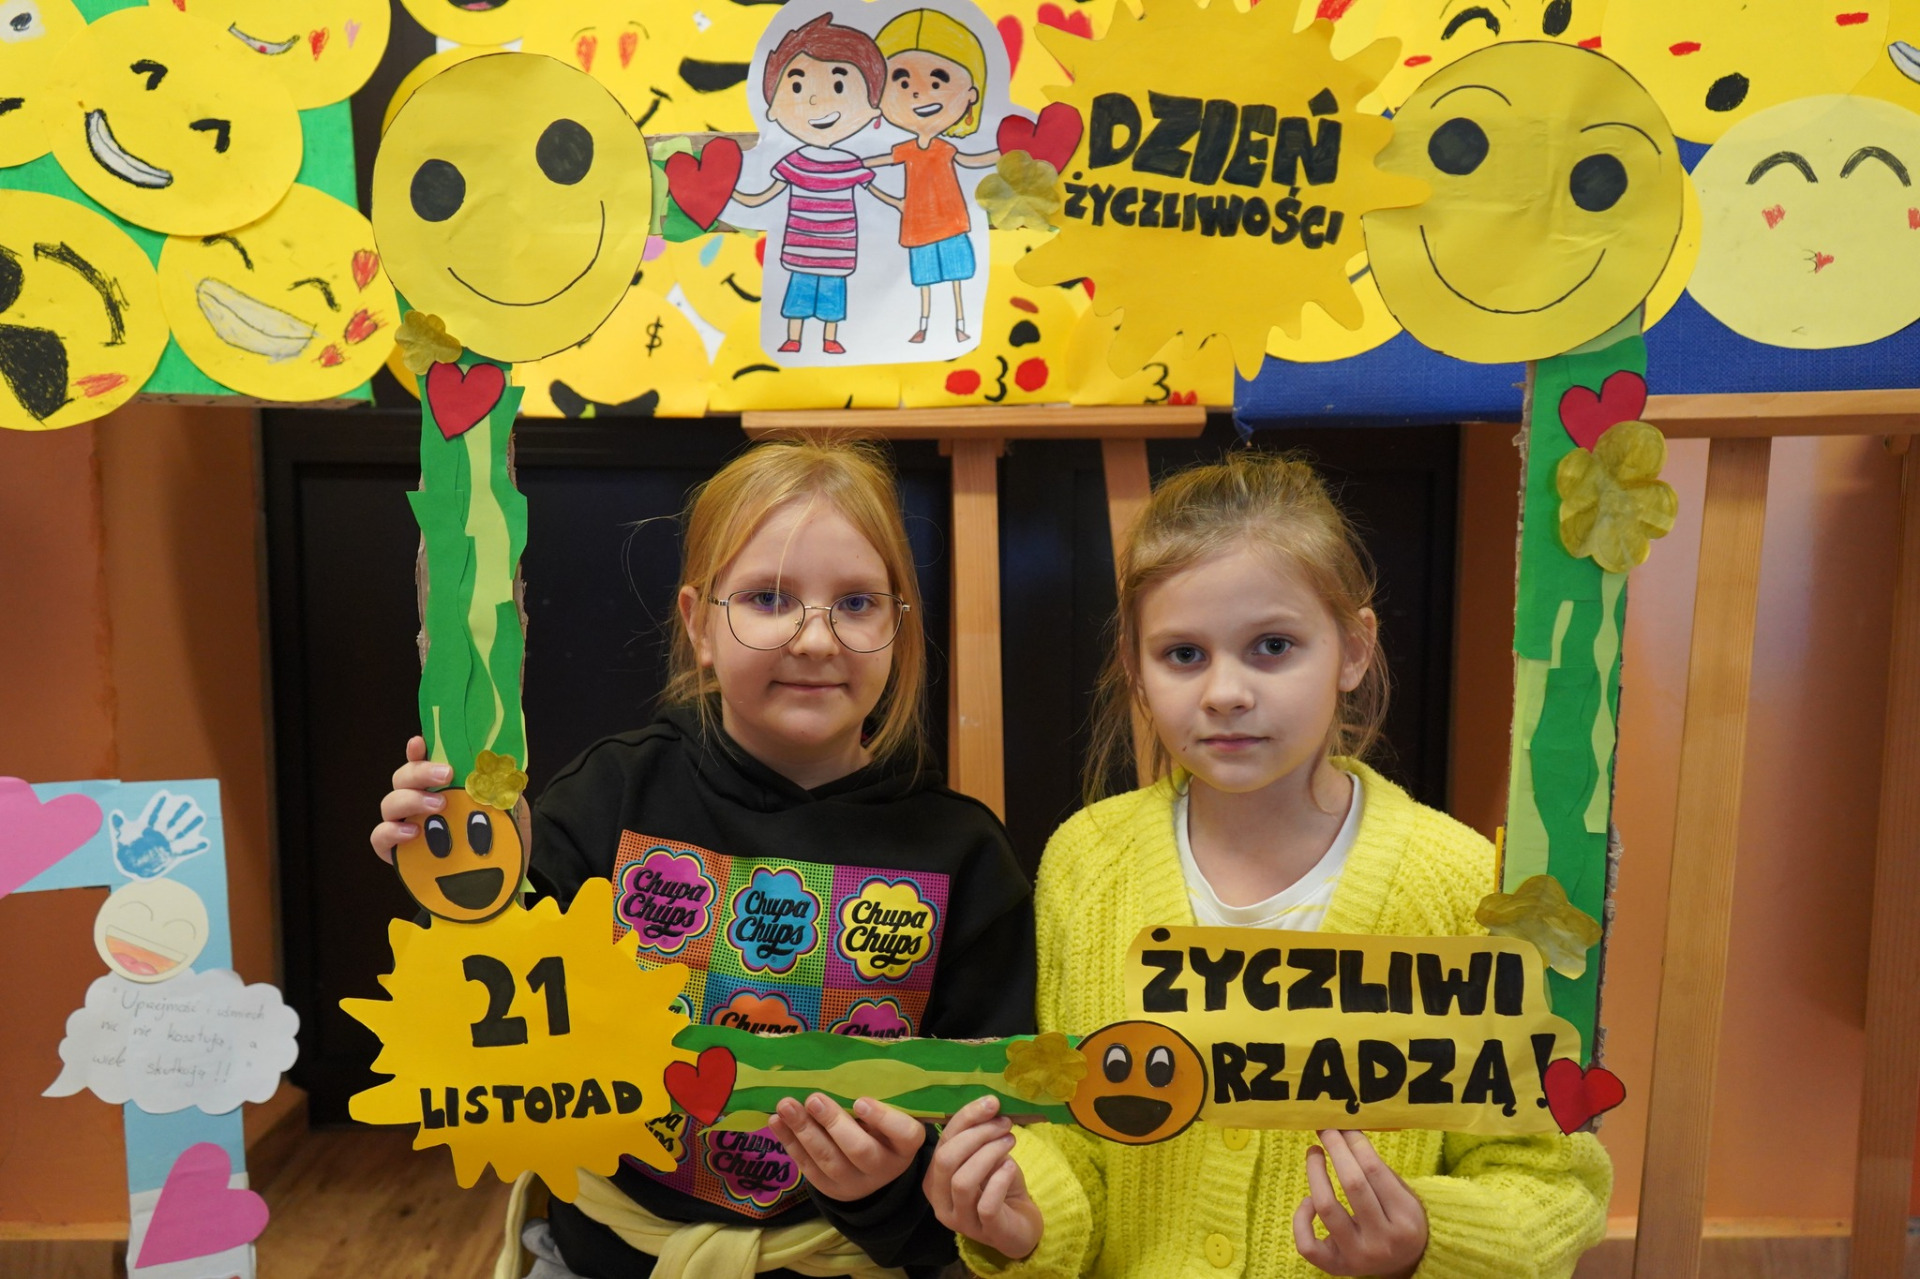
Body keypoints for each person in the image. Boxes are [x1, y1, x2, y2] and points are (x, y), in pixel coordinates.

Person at [922, 451, 1611, 1279]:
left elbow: (1549, 1179)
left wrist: (1427, 1238)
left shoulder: (1464, 886)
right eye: (1183, 654)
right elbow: (1071, 1136)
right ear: (1135, 667)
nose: (1225, 691)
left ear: (1353, 649)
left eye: (1272, 646)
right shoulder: (1087, 862)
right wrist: (1026, 1217)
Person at [371, 439, 1034, 1279]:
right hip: (601, 1258)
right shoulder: (613, 795)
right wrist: (461, 874)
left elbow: (988, 1155)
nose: (815, 637)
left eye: (858, 603)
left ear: (898, 630)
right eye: (768, 598)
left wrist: (885, 1191)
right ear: (698, 624)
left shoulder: (964, 858)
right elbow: (483, 1016)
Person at [729, 15, 905, 356]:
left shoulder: (850, 163)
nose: (816, 102)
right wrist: (735, 195)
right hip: (802, 249)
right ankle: (794, 338)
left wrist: (899, 203)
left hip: (838, 251)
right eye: (797, 87)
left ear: (872, 110)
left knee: (832, 299)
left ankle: (830, 338)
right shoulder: (793, 162)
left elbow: (873, 191)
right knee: (798, 294)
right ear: (773, 109)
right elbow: (765, 195)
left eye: (839, 87)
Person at [867, 9, 998, 345]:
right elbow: (877, 162)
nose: (919, 93)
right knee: (924, 280)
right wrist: (855, 168)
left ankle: (959, 323)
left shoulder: (945, 148)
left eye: (938, 82)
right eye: (902, 82)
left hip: (951, 222)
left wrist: (1004, 153)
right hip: (918, 227)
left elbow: (970, 160)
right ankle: (923, 324)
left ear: (971, 94)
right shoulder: (906, 149)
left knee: (957, 277)